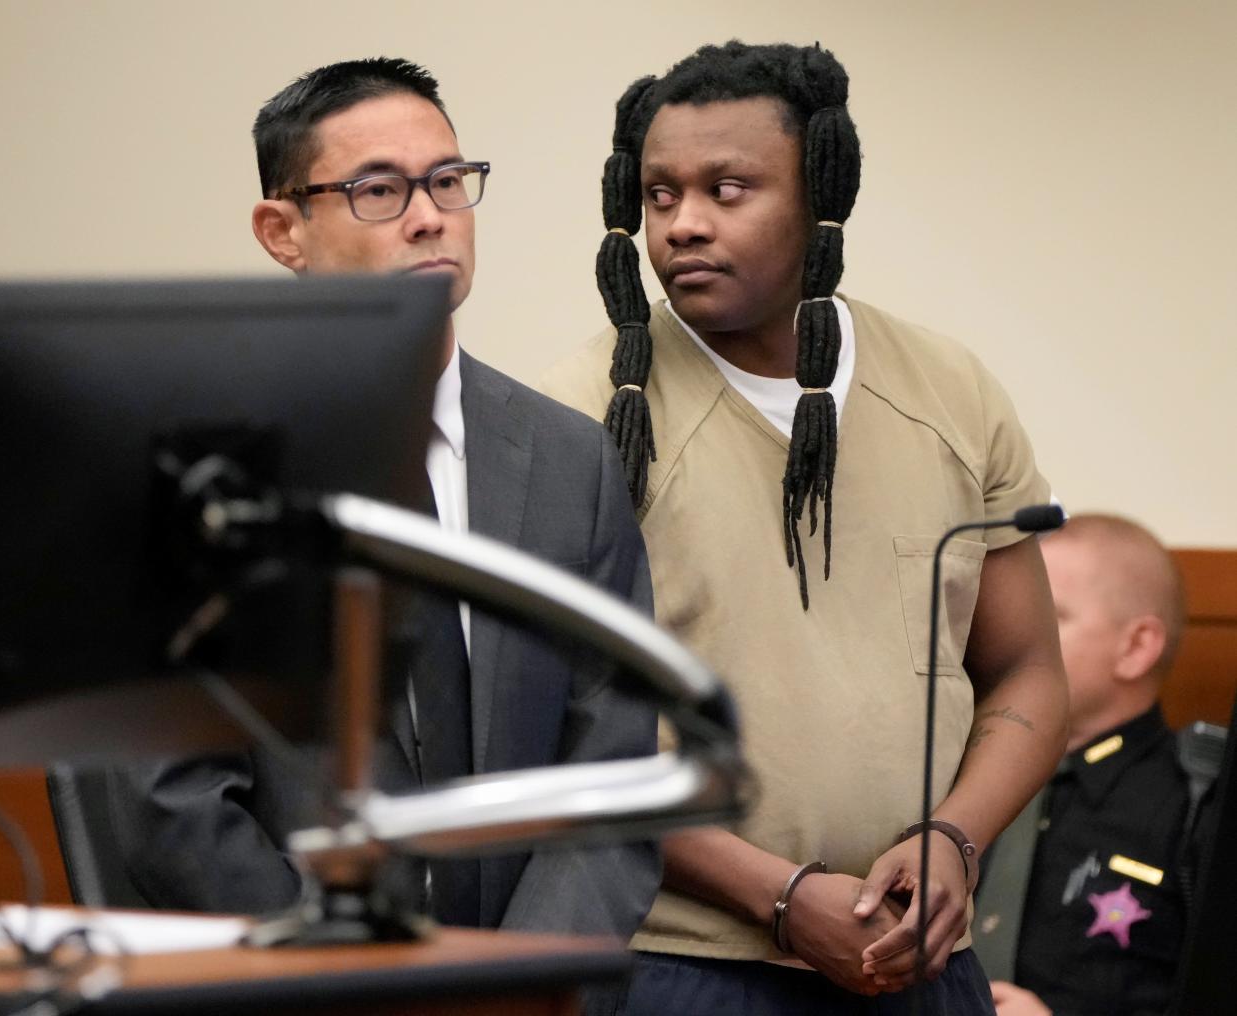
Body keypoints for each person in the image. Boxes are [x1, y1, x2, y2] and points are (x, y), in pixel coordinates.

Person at [541, 40, 1069, 1013]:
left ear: (822, 193)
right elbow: (548, 735)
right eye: (660, 196)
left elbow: (1028, 666)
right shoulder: (581, 413)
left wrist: (955, 838)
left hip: (921, 959)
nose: (684, 224)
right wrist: (782, 899)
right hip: (679, 967)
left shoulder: (949, 388)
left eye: (728, 188)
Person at [113, 57, 660, 946]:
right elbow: (171, 802)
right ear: (282, 231)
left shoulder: (571, 460)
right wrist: (350, 982)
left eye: (447, 180)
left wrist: (512, 986)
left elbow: (615, 772)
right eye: (379, 190)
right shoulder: (199, 475)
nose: (429, 217)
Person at [975, 514, 1220, 1016]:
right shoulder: (962, 770)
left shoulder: (1198, 804)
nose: (1009, 636)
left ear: (1135, 648)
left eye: (1048, 615)